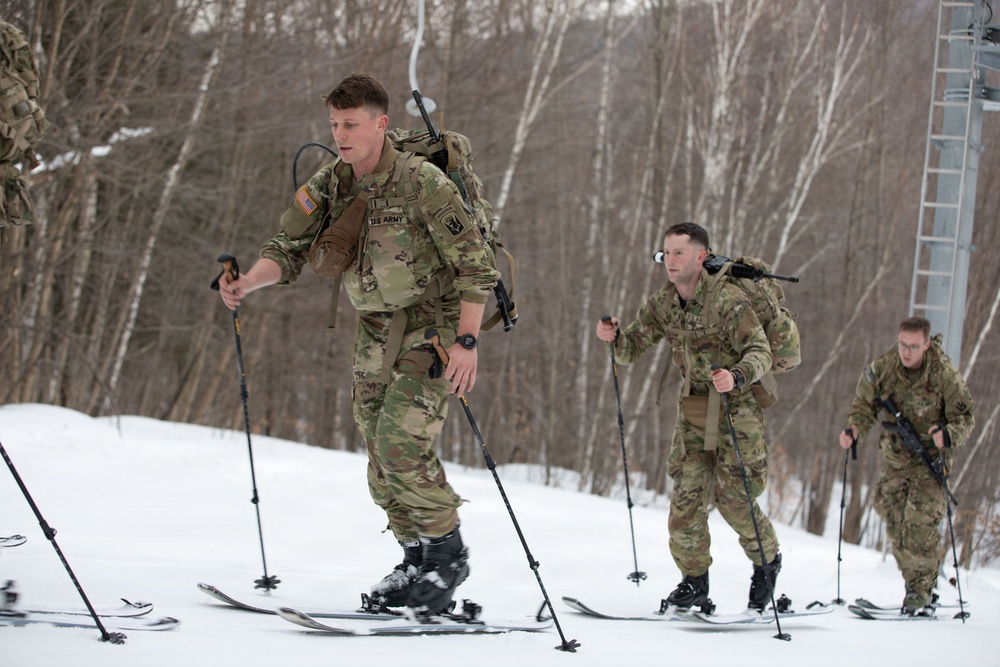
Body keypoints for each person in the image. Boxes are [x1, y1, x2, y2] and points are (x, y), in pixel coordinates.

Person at [216, 74, 498, 615]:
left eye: (350, 124)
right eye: (333, 125)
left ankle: (447, 554)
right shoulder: (332, 182)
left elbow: (474, 265)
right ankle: (415, 557)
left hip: (433, 326)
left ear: (380, 124)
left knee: (399, 441)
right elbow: (289, 245)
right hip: (373, 327)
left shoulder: (422, 183)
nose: (340, 135)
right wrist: (249, 281)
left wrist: (466, 341)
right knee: (375, 450)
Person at [596, 222, 781, 614]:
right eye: (666, 253)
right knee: (685, 502)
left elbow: (761, 351)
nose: (670, 260)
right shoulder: (663, 303)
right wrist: (613, 337)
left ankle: (767, 564)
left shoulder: (727, 301)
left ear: (701, 256)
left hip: (738, 411)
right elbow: (630, 349)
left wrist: (737, 375)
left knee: (735, 502)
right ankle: (695, 581)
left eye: (679, 252)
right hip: (694, 411)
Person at [838, 316, 974, 616]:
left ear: (926, 344)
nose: (906, 352)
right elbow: (864, 403)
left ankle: (919, 591)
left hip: (930, 460)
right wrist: (854, 429)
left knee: (919, 524)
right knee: (891, 515)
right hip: (896, 457)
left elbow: (965, 417)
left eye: (913, 346)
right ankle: (923, 581)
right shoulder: (885, 367)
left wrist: (947, 434)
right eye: (902, 344)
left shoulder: (943, 374)